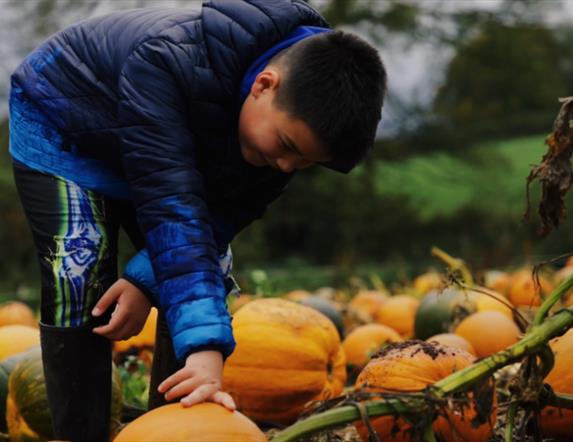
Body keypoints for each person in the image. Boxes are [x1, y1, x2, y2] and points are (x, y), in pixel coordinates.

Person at [8, 0, 386, 440]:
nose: (285, 167)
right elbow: (173, 207)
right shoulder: (167, 62)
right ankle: (82, 431)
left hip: (162, 159)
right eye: (285, 145)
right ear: (265, 84)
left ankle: (175, 422)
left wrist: (144, 278)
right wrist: (206, 346)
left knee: (208, 263)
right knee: (78, 267)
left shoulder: (280, 144)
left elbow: (216, 219)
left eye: (304, 161)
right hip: (65, 126)